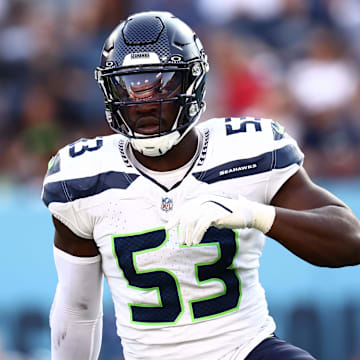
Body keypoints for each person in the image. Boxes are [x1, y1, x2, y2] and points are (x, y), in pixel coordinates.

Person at [41, 11, 360, 360]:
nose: (145, 100)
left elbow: (351, 241)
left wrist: (255, 214)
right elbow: (78, 308)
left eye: (162, 83)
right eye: (130, 84)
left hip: (245, 349)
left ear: (193, 82)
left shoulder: (247, 151)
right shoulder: (81, 179)